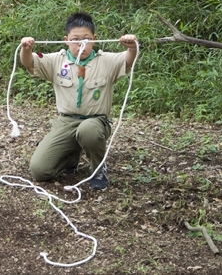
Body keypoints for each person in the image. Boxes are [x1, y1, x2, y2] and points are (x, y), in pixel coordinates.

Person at [19, 12, 138, 190]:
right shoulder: (56, 61)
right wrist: (26, 48)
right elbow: (29, 62)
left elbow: (129, 60)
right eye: (75, 39)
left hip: (95, 122)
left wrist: (132, 47)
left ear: (94, 39)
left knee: (88, 130)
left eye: (86, 39)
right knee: (39, 171)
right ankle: (70, 157)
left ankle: (98, 169)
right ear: (66, 40)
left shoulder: (106, 61)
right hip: (66, 122)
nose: (81, 44)